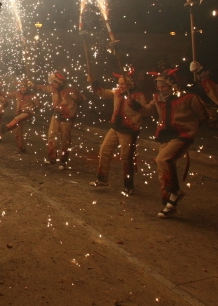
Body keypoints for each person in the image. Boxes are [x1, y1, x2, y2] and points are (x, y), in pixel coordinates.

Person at [129, 68, 208, 218]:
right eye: (158, 86)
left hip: (182, 135)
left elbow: (203, 115)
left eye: (164, 86)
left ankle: (176, 193)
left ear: (173, 85)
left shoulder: (188, 97)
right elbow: (148, 110)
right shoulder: (158, 98)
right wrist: (137, 106)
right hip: (165, 136)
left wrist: (190, 127)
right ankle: (169, 204)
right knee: (162, 170)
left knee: (163, 159)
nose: (160, 89)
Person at [87, 70, 148, 195]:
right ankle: (102, 179)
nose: (120, 86)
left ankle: (129, 186)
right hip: (115, 127)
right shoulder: (117, 92)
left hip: (129, 130)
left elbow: (146, 110)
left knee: (126, 158)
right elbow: (103, 93)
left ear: (130, 85)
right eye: (119, 84)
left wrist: (134, 105)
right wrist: (94, 84)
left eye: (123, 84)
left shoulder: (138, 95)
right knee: (104, 150)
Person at [35, 71, 85, 170]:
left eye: (53, 82)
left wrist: (71, 108)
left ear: (59, 82)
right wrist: (34, 86)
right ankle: (52, 158)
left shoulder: (71, 90)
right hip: (56, 115)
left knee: (65, 139)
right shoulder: (53, 88)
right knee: (51, 135)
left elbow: (82, 98)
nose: (51, 84)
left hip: (67, 117)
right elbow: (45, 88)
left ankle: (63, 161)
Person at [3, 79, 41, 153]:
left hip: (27, 113)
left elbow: (38, 105)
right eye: (21, 87)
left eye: (24, 87)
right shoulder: (18, 93)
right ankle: (21, 148)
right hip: (19, 113)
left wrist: (32, 109)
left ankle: (7, 127)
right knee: (17, 132)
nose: (22, 89)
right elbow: (9, 94)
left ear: (27, 88)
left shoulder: (33, 95)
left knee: (17, 119)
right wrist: (0, 92)